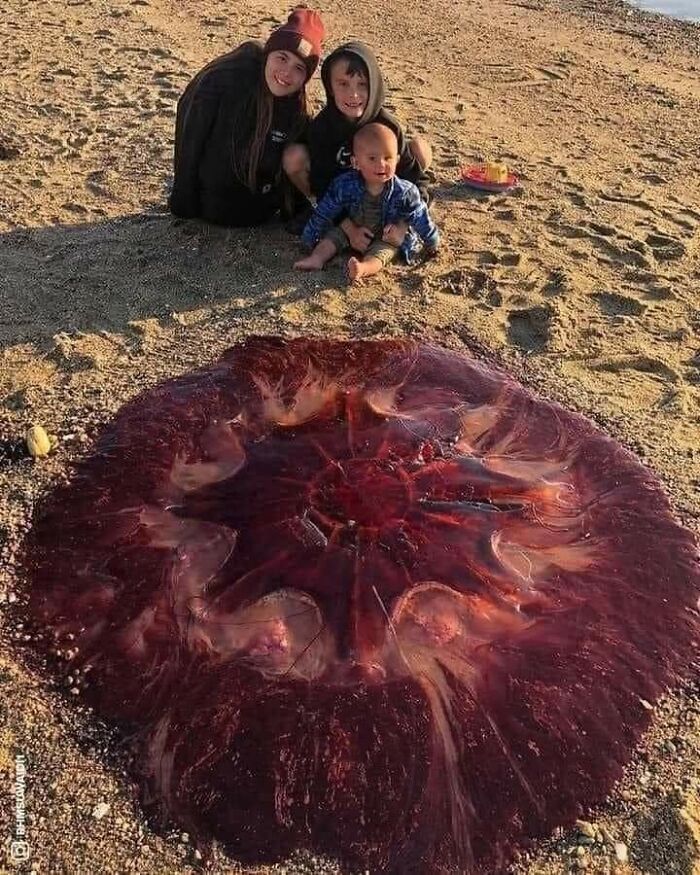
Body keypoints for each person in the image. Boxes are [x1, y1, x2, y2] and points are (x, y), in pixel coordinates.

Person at [168, 7, 324, 227]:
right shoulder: (227, 77)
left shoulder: (297, 109)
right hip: (208, 207)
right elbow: (191, 131)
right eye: (282, 58)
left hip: (259, 214)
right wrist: (183, 202)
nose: (287, 73)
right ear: (268, 53)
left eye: (299, 68)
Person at [283, 41, 432, 245]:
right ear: (330, 87)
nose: (353, 94)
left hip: (381, 195)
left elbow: (417, 181)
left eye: (362, 84)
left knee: (419, 148)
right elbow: (321, 183)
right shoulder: (322, 128)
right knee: (294, 157)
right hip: (340, 198)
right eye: (343, 84)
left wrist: (402, 226)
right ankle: (317, 212)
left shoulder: (388, 126)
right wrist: (349, 229)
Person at [294, 123, 440, 283]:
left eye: (388, 158)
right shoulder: (344, 184)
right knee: (331, 238)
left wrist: (432, 242)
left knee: (381, 254)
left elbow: (420, 216)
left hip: (384, 236)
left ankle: (363, 269)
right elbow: (325, 211)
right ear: (356, 162)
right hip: (352, 229)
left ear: (397, 160)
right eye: (372, 158)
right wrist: (308, 237)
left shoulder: (405, 191)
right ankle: (317, 259)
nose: (381, 164)